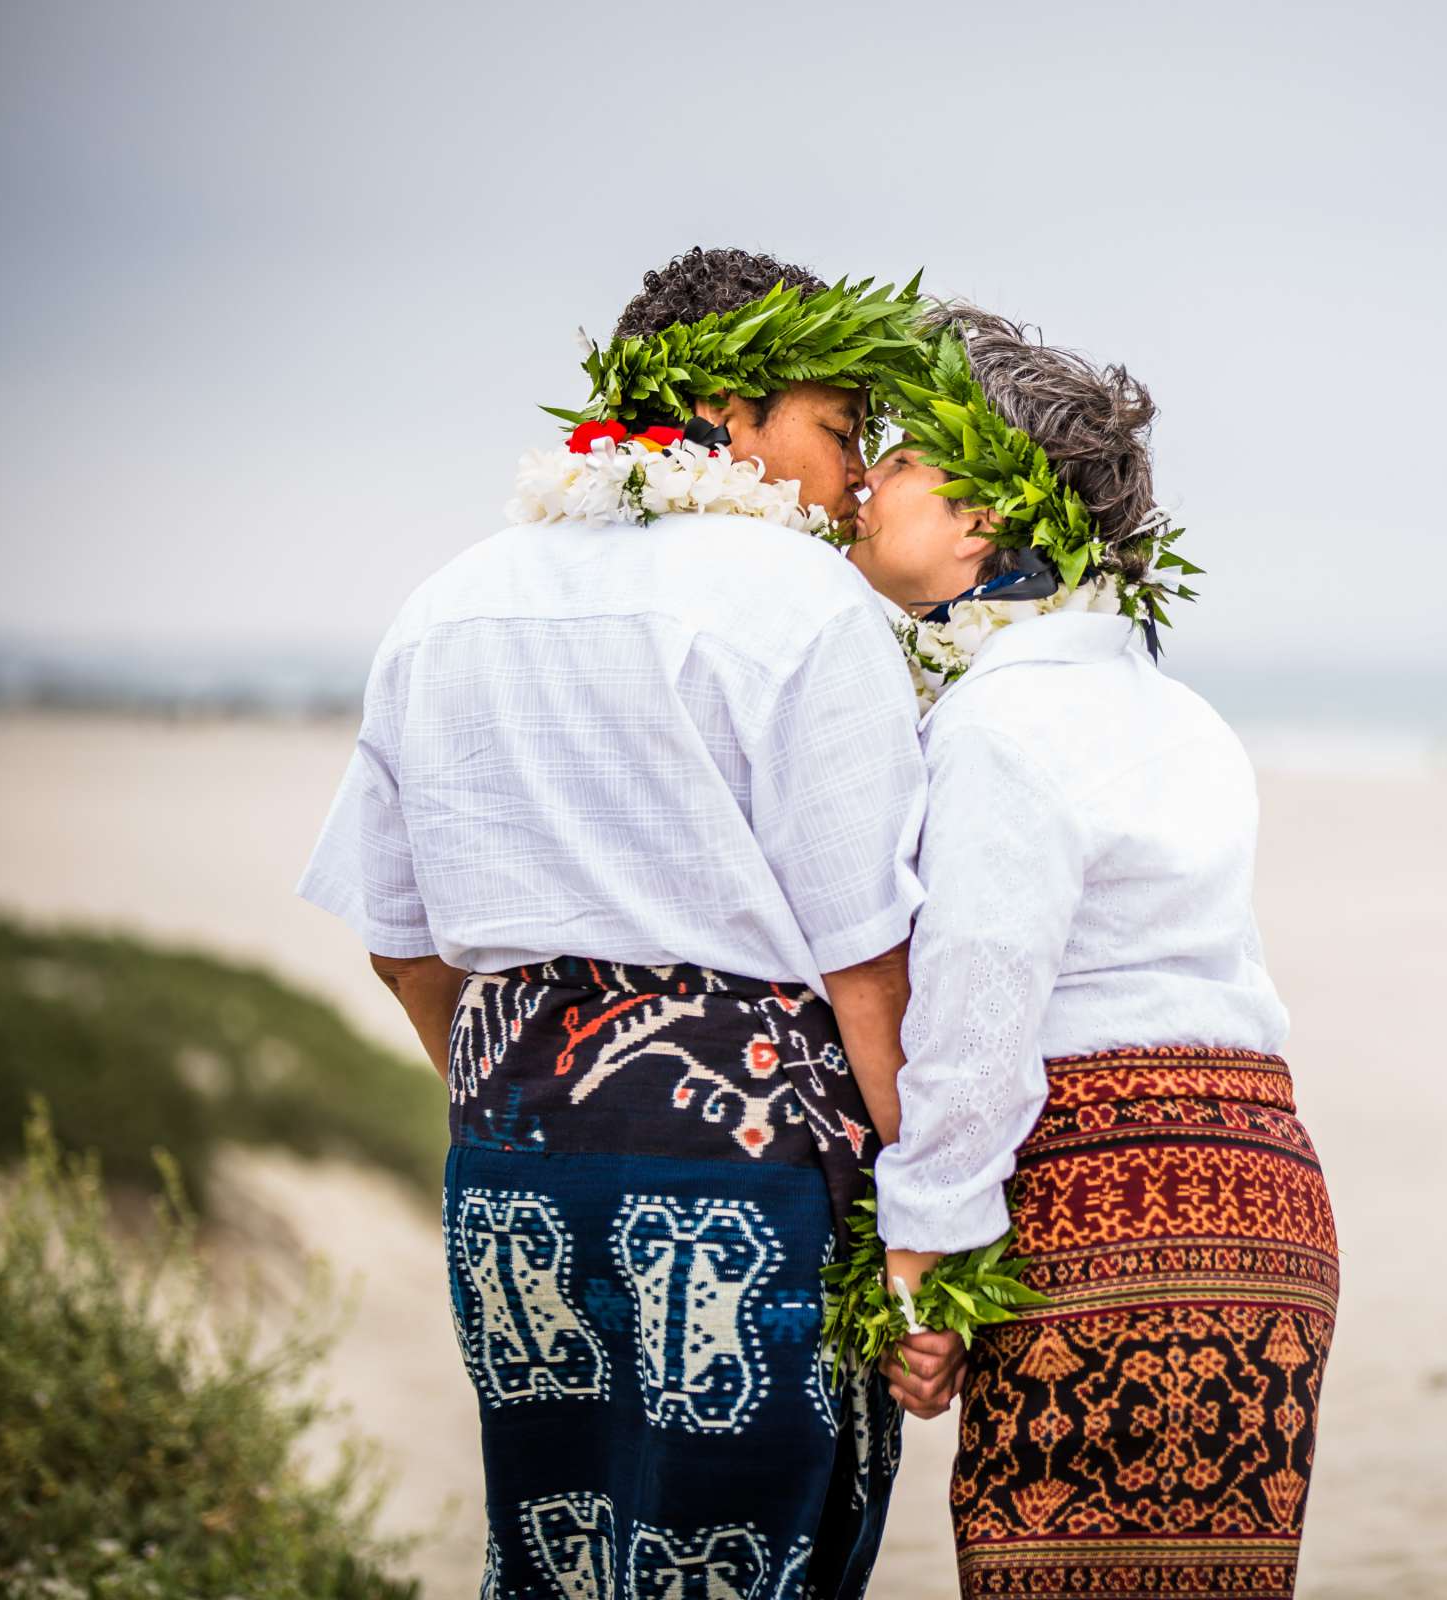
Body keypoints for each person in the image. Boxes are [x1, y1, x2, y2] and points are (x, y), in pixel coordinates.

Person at [296, 246, 925, 1600]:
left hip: (509, 1167)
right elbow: (866, 962)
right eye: (837, 428)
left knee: (552, 1550)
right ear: (728, 409)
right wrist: (924, 1210)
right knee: (753, 1555)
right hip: (748, 1168)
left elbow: (399, 937)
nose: (860, 476)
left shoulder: (450, 597)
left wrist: (530, 1088)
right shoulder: (803, 601)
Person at [844, 307, 1339, 1599]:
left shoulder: (1006, 723)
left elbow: (983, 1002)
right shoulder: (1175, 711)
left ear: (986, 518)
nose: (866, 479)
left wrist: (924, 1258)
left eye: (899, 458)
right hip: (1262, 1191)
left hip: (1107, 1201)